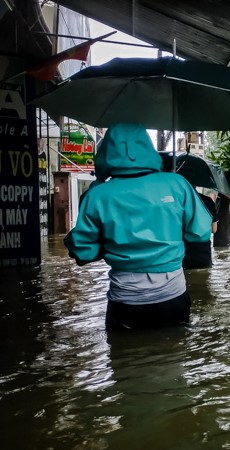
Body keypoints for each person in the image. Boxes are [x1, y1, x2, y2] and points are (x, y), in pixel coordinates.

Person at [64, 123, 212, 330]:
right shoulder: (177, 184)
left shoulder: (97, 195)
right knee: (175, 355)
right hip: (172, 296)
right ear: (147, 148)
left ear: (106, 152)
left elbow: (82, 252)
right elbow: (201, 233)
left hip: (125, 301)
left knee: (125, 359)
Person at [182, 191, 218, 269]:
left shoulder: (180, 200)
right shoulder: (208, 200)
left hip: (184, 250)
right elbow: (214, 229)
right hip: (204, 251)